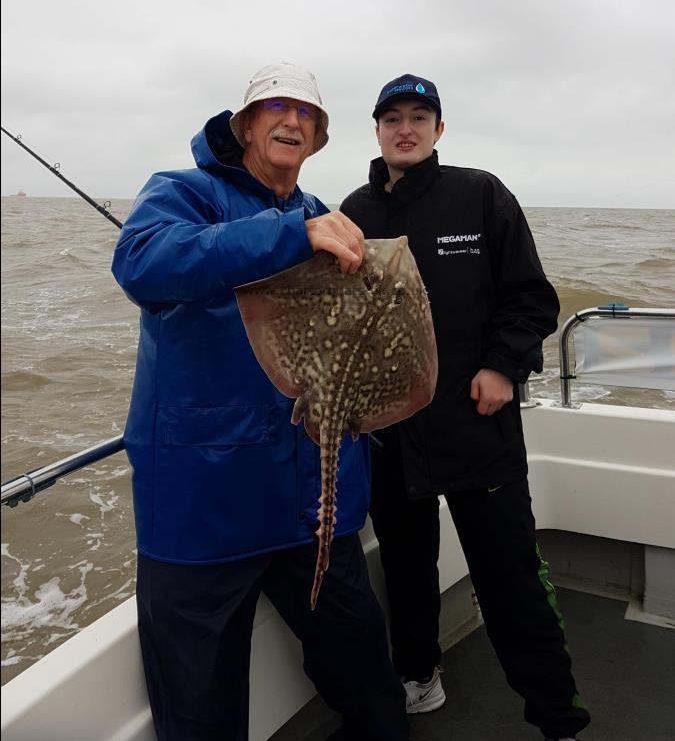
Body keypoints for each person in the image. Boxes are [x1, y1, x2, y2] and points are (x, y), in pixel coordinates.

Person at [111, 63, 408, 741]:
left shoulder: (320, 215)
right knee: (200, 706)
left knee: (364, 671)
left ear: (319, 138)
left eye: (308, 114)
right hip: (201, 502)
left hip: (310, 499)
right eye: (275, 107)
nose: (292, 120)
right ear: (244, 124)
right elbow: (143, 266)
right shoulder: (184, 194)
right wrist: (288, 237)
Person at [340, 73, 591, 741]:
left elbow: (532, 296)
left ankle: (555, 715)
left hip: (476, 420)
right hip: (391, 428)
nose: (405, 128)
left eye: (419, 117)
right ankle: (418, 674)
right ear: (377, 130)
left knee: (508, 573)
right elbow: (340, 318)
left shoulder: (478, 194)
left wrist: (501, 366)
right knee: (405, 563)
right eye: (392, 117)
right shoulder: (353, 211)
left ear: (438, 130)